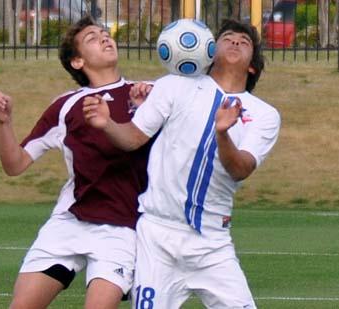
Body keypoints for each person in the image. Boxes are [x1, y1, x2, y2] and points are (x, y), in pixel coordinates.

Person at [83, 19, 281, 308]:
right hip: (158, 235)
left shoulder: (265, 114)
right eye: (227, 37)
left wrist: (222, 133)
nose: (236, 41)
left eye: (245, 41)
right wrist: (108, 124)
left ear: (253, 66)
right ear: (210, 51)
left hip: (212, 243)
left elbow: (241, 169)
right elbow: (132, 139)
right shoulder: (173, 86)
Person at [0, 15, 152, 309]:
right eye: (92, 38)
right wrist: (5, 123)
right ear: (77, 62)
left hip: (121, 228)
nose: (104, 38)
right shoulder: (66, 106)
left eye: (105, 33)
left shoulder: (148, 93)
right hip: (69, 222)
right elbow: (15, 165)